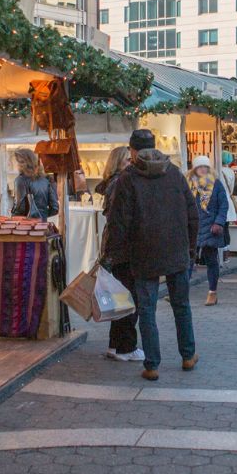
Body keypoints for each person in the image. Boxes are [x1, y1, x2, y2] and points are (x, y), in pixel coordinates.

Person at [104, 129, 200, 381]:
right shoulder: (175, 174)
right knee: (181, 305)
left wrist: (113, 253)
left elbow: (119, 221)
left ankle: (152, 364)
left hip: (143, 252)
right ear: (155, 147)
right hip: (177, 251)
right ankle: (188, 355)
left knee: (147, 309)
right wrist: (191, 247)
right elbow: (193, 212)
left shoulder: (129, 178)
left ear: (133, 151)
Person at [97, 146, 142, 362]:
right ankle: (126, 347)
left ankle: (116, 345)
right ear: (118, 163)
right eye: (127, 161)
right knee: (128, 299)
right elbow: (118, 220)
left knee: (120, 297)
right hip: (122, 250)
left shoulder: (113, 183)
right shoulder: (120, 183)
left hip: (115, 249)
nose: (130, 164)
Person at [189, 155, 231, 305]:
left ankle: (212, 292)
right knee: (188, 260)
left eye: (205, 167)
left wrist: (219, 222)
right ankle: (181, 291)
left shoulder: (216, 184)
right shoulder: (189, 184)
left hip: (211, 227)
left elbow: (223, 205)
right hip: (193, 227)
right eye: (199, 167)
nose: (202, 169)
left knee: (211, 259)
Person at [11, 147, 59, 219]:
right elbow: (55, 208)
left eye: (16, 162)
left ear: (22, 163)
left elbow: (19, 209)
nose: (14, 164)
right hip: (42, 226)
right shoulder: (45, 180)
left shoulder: (20, 180)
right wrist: (41, 216)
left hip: (25, 227)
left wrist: (11, 221)